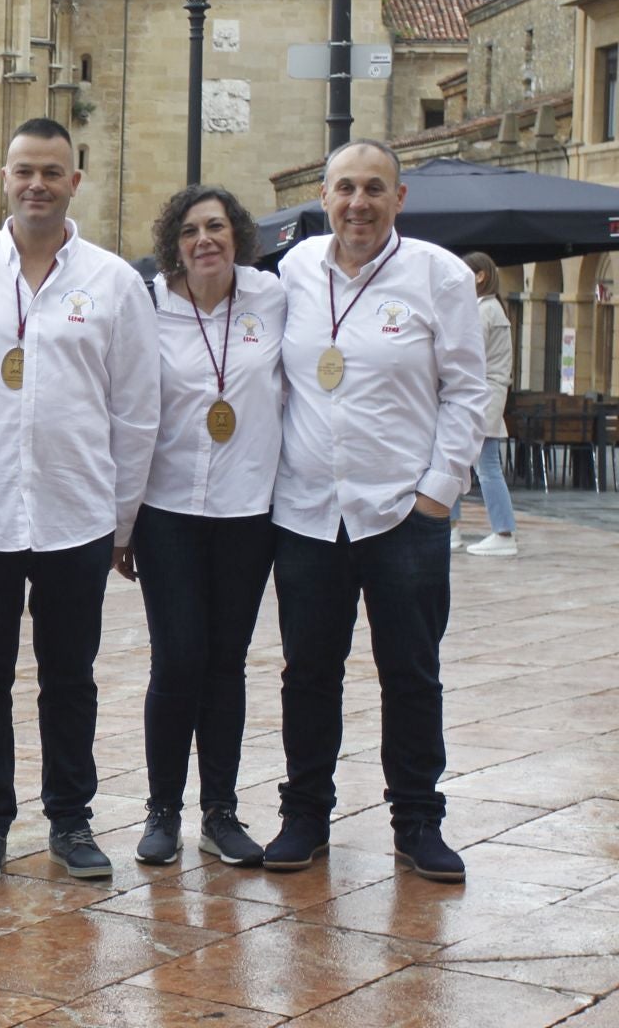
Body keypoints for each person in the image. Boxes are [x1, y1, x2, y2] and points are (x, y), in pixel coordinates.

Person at [0, 117, 159, 885]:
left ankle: (71, 818)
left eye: (52, 172)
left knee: (70, 676)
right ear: (4, 176)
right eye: (24, 170)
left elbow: (137, 408)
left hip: (76, 513)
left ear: (74, 182)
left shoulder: (115, 282)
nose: (37, 185)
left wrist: (123, 521)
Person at [263, 140, 488, 883]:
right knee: (308, 674)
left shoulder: (439, 276)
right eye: (344, 188)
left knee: (412, 674)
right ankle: (305, 815)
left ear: (399, 198)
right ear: (323, 198)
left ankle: (418, 821)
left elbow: (466, 391)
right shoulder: (292, 272)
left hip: (403, 514)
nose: (357, 202)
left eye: (373, 188)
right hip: (307, 514)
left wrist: (437, 494)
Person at [122, 185, 284, 868]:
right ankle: (163, 810)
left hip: (249, 510)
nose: (204, 240)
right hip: (168, 512)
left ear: (236, 234)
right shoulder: (147, 306)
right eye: (189, 231)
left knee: (226, 662)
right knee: (179, 657)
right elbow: (126, 410)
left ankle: (220, 811)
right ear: (173, 244)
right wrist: (121, 519)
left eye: (215, 227)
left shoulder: (272, 299)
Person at [451, 251, 516, 557]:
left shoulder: (484, 311)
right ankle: (454, 528)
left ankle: (502, 533)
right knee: (462, 461)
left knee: (481, 465)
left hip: (481, 398)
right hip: (485, 397)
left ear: (480, 276)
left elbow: (467, 354)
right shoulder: (490, 309)